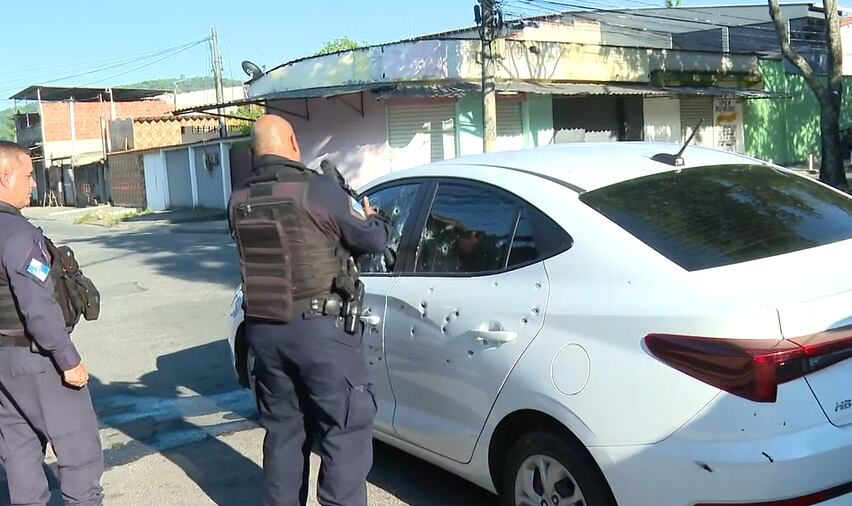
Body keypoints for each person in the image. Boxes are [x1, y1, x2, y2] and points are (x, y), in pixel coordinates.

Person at [229, 115, 390, 506]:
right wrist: (376, 220)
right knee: (344, 431)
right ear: (293, 144)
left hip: (265, 332)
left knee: (284, 433)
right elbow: (372, 241)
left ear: (254, 152)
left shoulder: (237, 200)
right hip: (321, 334)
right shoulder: (317, 190)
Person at [0, 141, 104, 506]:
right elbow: (37, 305)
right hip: (37, 359)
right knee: (80, 457)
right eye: (28, 176)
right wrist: (67, 358)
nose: (33, 184)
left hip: (3, 366)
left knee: (20, 459)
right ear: (4, 176)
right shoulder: (18, 235)